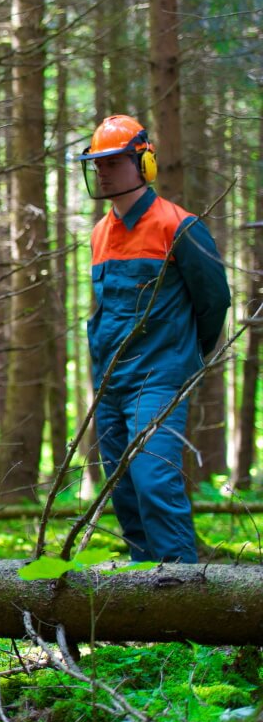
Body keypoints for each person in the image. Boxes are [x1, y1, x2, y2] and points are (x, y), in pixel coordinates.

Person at [78, 114, 230, 563]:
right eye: (98, 164)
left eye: (113, 162)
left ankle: (182, 591)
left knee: (152, 479)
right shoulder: (100, 233)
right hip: (110, 381)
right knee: (122, 487)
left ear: (142, 163)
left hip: (159, 378)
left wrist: (183, 357)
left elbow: (214, 300)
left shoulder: (177, 226)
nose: (103, 171)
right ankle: (145, 598)